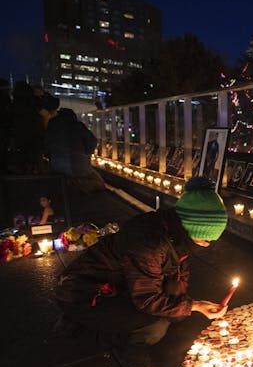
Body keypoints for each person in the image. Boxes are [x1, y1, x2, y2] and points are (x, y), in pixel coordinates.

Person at [55, 177, 229, 346]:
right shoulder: (149, 243)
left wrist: (186, 305)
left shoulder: (174, 231)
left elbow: (179, 274)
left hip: (123, 283)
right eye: (205, 238)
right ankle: (83, 328)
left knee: (177, 312)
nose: (207, 244)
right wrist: (194, 305)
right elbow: (146, 299)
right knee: (154, 329)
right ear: (191, 227)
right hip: (86, 292)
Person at [43, 106, 105, 192]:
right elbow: (92, 141)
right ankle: (80, 186)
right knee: (99, 182)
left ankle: (70, 185)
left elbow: (46, 145)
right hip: (80, 165)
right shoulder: (78, 126)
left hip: (58, 166)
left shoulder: (52, 127)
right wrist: (87, 153)